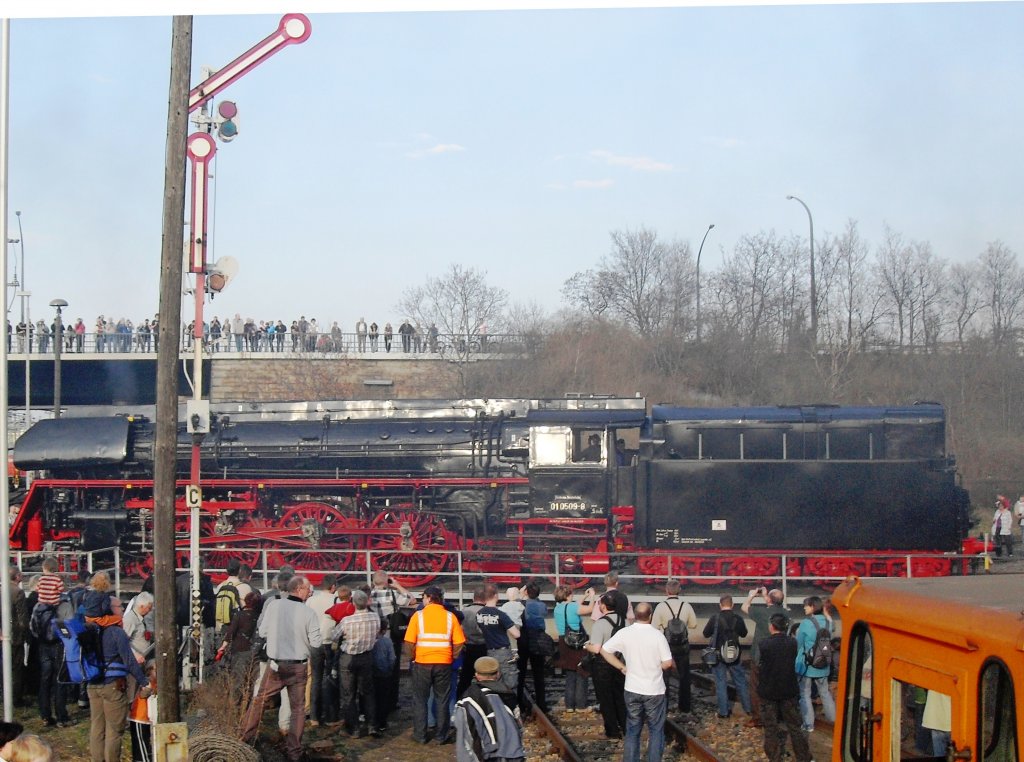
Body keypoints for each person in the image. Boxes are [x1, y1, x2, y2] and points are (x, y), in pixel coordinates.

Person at [241, 576, 321, 762]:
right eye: (308, 589)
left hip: (276, 664)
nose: (310, 592)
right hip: (298, 666)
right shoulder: (309, 613)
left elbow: (263, 632)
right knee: (298, 709)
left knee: (259, 700)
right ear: (299, 589)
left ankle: (245, 737)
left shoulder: (274, 606)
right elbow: (316, 643)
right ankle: (294, 751)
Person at [596, 602, 673, 762]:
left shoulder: (626, 633)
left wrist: (621, 667)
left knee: (632, 730)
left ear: (635, 616)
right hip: (654, 690)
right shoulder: (658, 635)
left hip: (632, 689)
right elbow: (668, 663)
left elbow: (604, 650)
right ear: (650, 616)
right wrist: (659, 665)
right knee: (656, 730)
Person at [87, 594, 151, 762]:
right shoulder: (116, 631)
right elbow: (129, 660)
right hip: (113, 686)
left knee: (97, 727)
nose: (122, 609)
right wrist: (144, 681)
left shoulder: (89, 628)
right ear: (109, 609)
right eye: (118, 606)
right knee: (114, 730)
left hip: (93, 684)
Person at [404, 585, 466, 745]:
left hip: (422, 663)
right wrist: (451, 657)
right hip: (444, 663)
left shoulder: (418, 616)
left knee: (420, 699)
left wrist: (412, 657)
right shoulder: (450, 616)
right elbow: (459, 642)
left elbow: (409, 642)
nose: (422, 600)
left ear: (429, 598)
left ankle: (420, 735)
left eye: (423, 597)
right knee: (442, 699)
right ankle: (441, 735)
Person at [757, 613, 812, 762]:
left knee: (770, 727)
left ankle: (774, 757)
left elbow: (758, 664)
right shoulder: (793, 643)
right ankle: (803, 756)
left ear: (771, 626)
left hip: (769, 691)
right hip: (788, 689)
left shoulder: (764, 644)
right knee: (795, 726)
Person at [453, 656, 525, 762]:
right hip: (514, 751)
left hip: (491, 754)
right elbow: (518, 724)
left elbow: (465, 736)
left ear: (476, 675)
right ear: (498, 674)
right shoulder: (509, 695)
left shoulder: (468, 700)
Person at [335, 589, 381, 737]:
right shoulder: (375, 617)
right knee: (368, 692)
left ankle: (353, 728)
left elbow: (334, 636)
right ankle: (372, 725)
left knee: (348, 694)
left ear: (353, 603)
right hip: (367, 656)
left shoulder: (347, 621)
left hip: (348, 657)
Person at [742, 586, 789, 726]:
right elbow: (773, 604)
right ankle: (776, 714)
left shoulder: (762, 612)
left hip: (760, 655)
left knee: (756, 686)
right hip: (779, 655)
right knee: (775, 685)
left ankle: (758, 717)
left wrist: (751, 595)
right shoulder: (785, 613)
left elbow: (745, 607)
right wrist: (766, 596)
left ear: (769, 599)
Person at [584, 592, 627, 739]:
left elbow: (596, 648)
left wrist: (586, 646)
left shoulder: (600, 623)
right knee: (620, 697)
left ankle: (613, 731)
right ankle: (626, 726)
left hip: (602, 666)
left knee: (605, 698)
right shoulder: (625, 621)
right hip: (621, 663)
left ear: (603, 606)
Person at [702, 594, 752, 719]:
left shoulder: (715, 618)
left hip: (718, 656)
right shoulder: (738, 618)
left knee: (720, 683)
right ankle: (748, 709)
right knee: (741, 682)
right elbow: (744, 634)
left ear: (720, 605)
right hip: (735, 655)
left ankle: (724, 712)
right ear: (732, 604)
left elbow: (706, 633)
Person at [652, 579, 697, 714]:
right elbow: (693, 624)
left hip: (666, 645)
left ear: (666, 591)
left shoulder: (661, 606)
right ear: (680, 590)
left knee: (664, 677)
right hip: (682, 646)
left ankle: (663, 706)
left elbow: (654, 627)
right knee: (684, 676)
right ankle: (684, 706)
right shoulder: (686, 606)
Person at [795, 595, 836, 731]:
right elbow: (832, 628)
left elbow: (799, 643)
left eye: (806, 605)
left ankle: (808, 724)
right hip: (824, 663)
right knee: (825, 692)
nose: (804, 608)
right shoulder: (829, 623)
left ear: (812, 607)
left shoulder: (806, 623)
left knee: (805, 693)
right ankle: (834, 719)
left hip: (808, 665)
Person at [305, 574, 338, 726]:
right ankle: (331, 715)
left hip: (315, 643)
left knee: (315, 679)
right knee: (330, 678)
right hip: (330, 642)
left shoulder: (311, 600)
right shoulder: (335, 599)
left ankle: (314, 716)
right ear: (333, 587)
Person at [475, 583, 520, 693]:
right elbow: (516, 634)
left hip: (490, 651)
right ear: (496, 595)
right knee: (510, 682)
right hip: (503, 652)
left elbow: (480, 630)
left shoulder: (479, 614)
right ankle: (511, 706)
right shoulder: (500, 614)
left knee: (493, 682)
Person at [216, 591, 261, 700]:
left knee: (238, 678)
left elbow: (230, 633)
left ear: (246, 601)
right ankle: (249, 702)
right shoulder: (259, 616)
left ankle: (236, 703)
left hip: (239, 650)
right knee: (252, 679)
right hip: (255, 651)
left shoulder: (239, 615)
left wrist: (222, 647)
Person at [552, 585, 588, 712]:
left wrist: (584, 596)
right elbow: (589, 609)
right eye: (571, 594)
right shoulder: (573, 607)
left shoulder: (557, 608)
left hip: (564, 641)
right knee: (581, 671)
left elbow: (573, 606)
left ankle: (569, 705)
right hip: (576, 641)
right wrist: (592, 598)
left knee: (570, 673)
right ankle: (580, 705)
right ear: (568, 595)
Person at [517, 582, 549, 714]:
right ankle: (542, 703)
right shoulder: (542, 605)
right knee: (538, 673)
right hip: (538, 639)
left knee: (521, 671)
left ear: (526, 592)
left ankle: (519, 702)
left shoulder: (522, 605)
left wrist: (520, 595)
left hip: (524, 637)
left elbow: (516, 610)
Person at [128, 662, 157, 762]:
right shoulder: (146, 681)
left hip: (148, 719)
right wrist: (150, 689)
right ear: (149, 671)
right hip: (139, 718)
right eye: (155, 670)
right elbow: (143, 693)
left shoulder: (156, 683)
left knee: (146, 745)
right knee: (141, 747)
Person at [122, 591, 154, 665]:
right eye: (148, 608)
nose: (150, 610)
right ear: (141, 606)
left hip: (144, 658)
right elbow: (123, 641)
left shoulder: (142, 619)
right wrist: (134, 654)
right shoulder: (130, 619)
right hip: (135, 660)